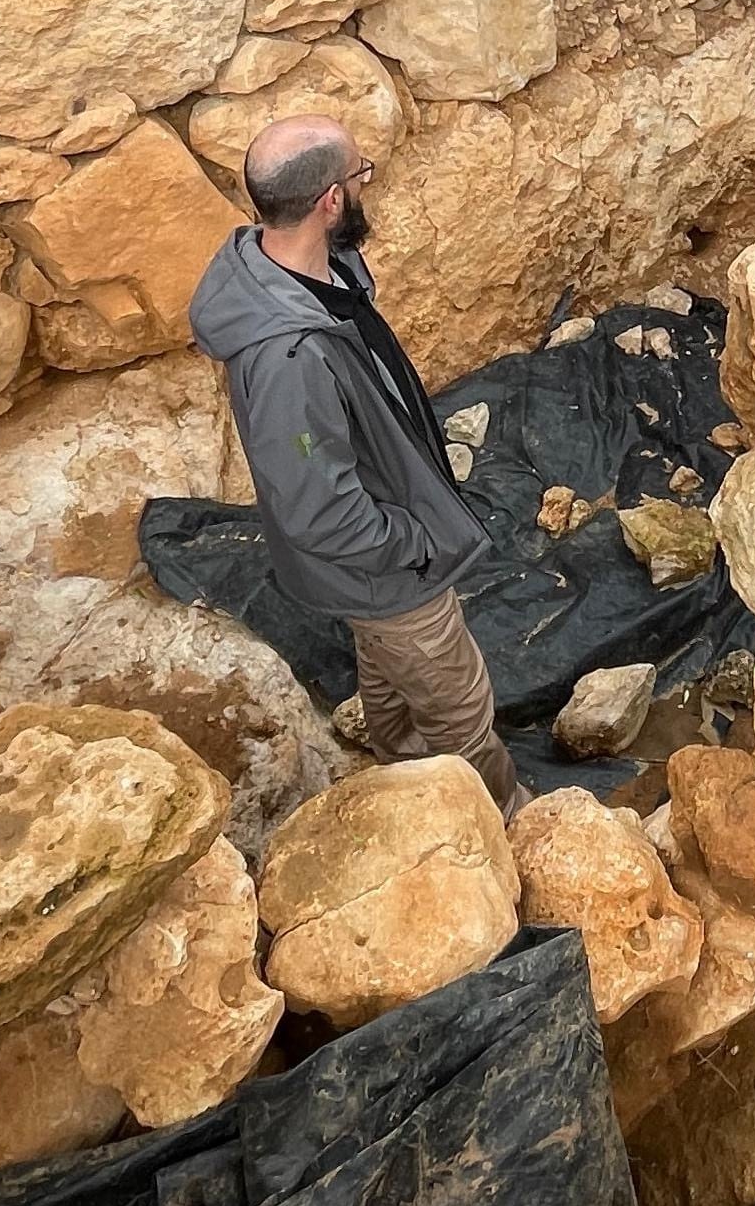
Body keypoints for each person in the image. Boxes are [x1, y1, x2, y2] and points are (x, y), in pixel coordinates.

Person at [188, 113, 525, 815]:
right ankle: (501, 821)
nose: (365, 184)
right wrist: (414, 541)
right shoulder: (288, 361)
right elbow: (320, 509)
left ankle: (399, 767)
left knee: (385, 666)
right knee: (461, 710)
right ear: (330, 202)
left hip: (371, 574)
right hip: (388, 574)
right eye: (359, 174)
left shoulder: (311, 269)